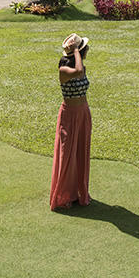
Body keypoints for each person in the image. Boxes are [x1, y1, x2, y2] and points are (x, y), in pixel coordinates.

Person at [50, 33, 92, 209]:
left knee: (80, 152)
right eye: (84, 48)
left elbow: (81, 72)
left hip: (83, 113)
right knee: (67, 155)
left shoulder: (80, 65)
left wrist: (76, 54)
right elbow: (78, 72)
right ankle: (64, 196)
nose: (87, 49)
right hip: (69, 115)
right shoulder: (64, 70)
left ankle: (78, 192)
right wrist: (75, 50)